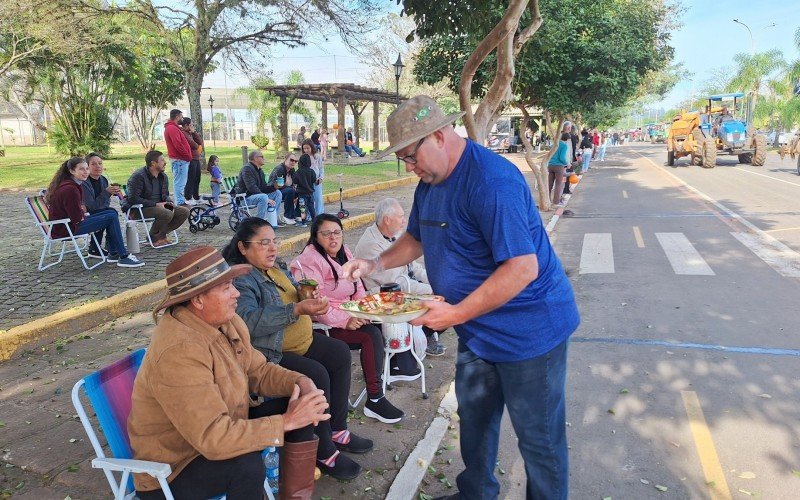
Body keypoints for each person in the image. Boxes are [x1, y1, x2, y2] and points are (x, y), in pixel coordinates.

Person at [341, 95, 580, 500]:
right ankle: (477, 493)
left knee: (539, 440)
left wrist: (454, 314)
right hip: (475, 328)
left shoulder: (492, 181)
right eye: (403, 160)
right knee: (474, 419)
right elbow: (416, 237)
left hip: (529, 333)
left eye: (411, 156)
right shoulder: (430, 183)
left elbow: (522, 268)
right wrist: (372, 264)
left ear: (439, 135)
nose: (409, 167)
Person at [128, 246, 328, 499]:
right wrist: (286, 422)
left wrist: (301, 381)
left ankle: (295, 496)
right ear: (198, 300)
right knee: (247, 466)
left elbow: (258, 370)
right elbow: (213, 437)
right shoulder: (179, 351)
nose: (236, 294)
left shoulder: (226, 320)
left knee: (300, 399)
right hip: (175, 468)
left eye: (233, 284)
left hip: (224, 428)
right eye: (226, 288)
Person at [223, 218, 372, 481]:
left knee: (338, 353)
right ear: (243, 248)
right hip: (272, 351)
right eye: (263, 243)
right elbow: (247, 322)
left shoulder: (275, 267)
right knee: (316, 374)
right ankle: (324, 451)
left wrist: (308, 297)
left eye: (274, 241)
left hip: (301, 340)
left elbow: (293, 293)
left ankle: (337, 429)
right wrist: (297, 309)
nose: (272, 248)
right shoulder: (242, 279)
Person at [290, 214, 407, 424]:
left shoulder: (344, 252)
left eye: (337, 232)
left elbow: (358, 286)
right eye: (326, 234)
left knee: (380, 322)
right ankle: (375, 398)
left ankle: (394, 370)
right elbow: (315, 306)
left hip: (349, 313)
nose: (333, 238)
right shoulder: (308, 262)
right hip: (325, 323)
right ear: (316, 237)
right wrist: (344, 320)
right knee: (370, 336)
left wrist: (362, 312)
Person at [353, 197, 446, 356]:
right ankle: (426, 334)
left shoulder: (393, 234)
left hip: (404, 283)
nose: (404, 221)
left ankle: (425, 334)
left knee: (447, 288)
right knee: (443, 297)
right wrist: (434, 289)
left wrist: (436, 279)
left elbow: (414, 266)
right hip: (387, 291)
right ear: (387, 220)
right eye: (401, 216)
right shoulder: (371, 243)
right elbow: (396, 282)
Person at [46, 157, 144, 268]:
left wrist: (84, 211)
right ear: (72, 171)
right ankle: (123, 256)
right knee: (110, 216)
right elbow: (77, 218)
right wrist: (84, 212)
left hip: (68, 224)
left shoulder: (71, 185)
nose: (85, 172)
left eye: (87, 169)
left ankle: (114, 253)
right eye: (81, 169)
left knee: (110, 212)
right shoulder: (70, 189)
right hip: (66, 229)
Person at [123, 150, 190, 247]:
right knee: (167, 212)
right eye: (162, 160)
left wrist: (168, 201)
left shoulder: (163, 177)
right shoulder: (138, 176)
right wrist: (156, 204)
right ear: (153, 163)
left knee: (184, 211)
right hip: (139, 209)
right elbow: (133, 198)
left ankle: (159, 236)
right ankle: (154, 238)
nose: (165, 162)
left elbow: (165, 194)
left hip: (160, 206)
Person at [81, 152, 121, 258]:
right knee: (110, 213)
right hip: (87, 214)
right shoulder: (84, 183)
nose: (98, 166)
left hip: (100, 211)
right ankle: (111, 248)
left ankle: (101, 247)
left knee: (111, 211)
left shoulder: (103, 179)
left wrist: (112, 192)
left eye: (100, 163)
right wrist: (107, 192)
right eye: (93, 164)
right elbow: (91, 206)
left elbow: (105, 203)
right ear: (87, 167)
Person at [236, 150, 281, 227]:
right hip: (244, 198)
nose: (264, 158)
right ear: (255, 158)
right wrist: (267, 198)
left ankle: (271, 219)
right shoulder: (247, 169)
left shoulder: (260, 170)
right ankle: (258, 224)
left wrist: (274, 187)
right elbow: (251, 187)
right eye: (262, 157)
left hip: (256, 196)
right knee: (263, 197)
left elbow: (263, 187)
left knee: (277, 193)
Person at [163, 109, 192, 206]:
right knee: (179, 182)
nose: (182, 119)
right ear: (177, 117)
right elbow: (178, 145)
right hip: (180, 160)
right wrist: (187, 156)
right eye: (181, 117)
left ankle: (180, 201)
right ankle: (179, 202)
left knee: (180, 182)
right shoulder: (172, 128)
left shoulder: (174, 128)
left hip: (181, 159)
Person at [268, 153, 298, 226]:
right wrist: (292, 188)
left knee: (299, 192)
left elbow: (294, 182)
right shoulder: (279, 169)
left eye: (295, 161)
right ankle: (287, 216)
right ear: (285, 159)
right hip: (274, 191)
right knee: (290, 191)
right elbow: (273, 184)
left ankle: (297, 215)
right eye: (291, 160)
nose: (293, 162)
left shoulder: (292, 170)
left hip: (286, 191)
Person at [180, 117, 204, 206]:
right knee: (191, 178)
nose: (192, 127)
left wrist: (194, 133)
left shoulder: (191, 133)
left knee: (197, 178)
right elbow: (194, 145)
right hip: (190, 158)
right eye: (191, 125)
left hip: (196, 158)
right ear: (186, 125)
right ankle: (188, 197)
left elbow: (200, 142)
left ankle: (196, 196)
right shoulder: (183, 133)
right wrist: (196, 143)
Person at [301, 139, 325, 216]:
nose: (306, 150)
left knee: (318, 198)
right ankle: (308, 215)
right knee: (308, 199)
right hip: (307, 183)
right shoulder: (303, 158)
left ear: (311, 147)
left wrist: (321, 178)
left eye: (308, 148)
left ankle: (319, 214)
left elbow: (321, 168)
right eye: (304, 148)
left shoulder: (317, 157)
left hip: (316, 181)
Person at [548, 132, 571, 208]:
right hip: (559, 166)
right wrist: (567, 163)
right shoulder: (564, 145)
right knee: (558, 184)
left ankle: (547, 200)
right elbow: (562, 158)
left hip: (550, 165)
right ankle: (556, 201)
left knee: (549, 184)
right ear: (567, 139)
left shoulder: (554, 144)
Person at [294, 154, 316, 227]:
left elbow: (295, 181)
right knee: (311, 207)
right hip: (310, 193)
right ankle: (315, 221)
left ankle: (303, 222)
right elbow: (314, 180)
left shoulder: (298, 172)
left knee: (303, 208)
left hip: (302, 194)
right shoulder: (312, 171)